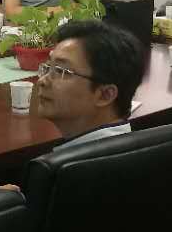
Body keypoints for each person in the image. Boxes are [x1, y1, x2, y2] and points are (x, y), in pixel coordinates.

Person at [33, 20, 147, 148]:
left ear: (105, 95)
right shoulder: (126, 148)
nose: (41, 81)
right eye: (48, 67)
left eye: (61, 71)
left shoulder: (88, 159)